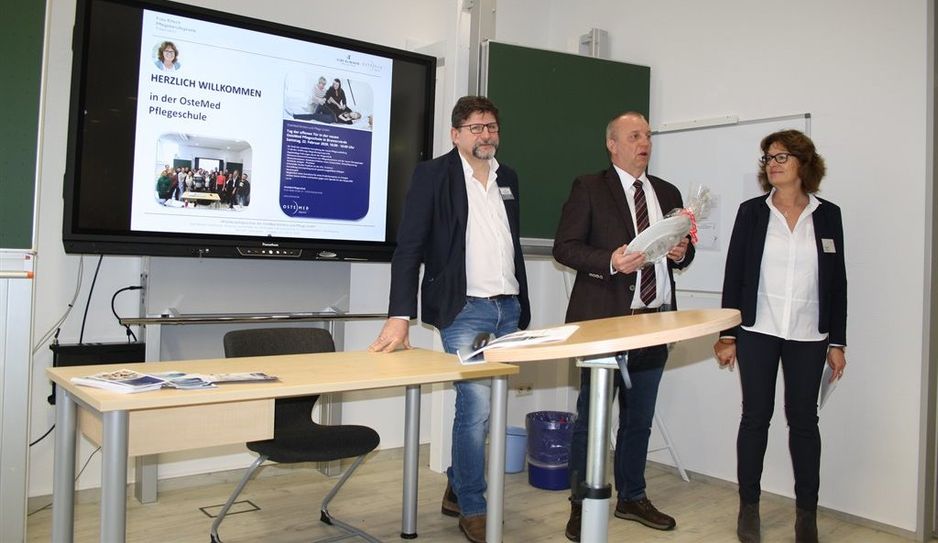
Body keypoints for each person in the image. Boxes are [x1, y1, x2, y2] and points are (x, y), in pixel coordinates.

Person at [368, 96, 530, 543]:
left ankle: (457, 489)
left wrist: (521, 304)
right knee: (475, 407)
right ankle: (474, 508)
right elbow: (410, 248)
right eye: (476, 127)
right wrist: (400, 315)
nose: (486, 135)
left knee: (489, 408)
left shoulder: (508, 178)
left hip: (508, 306)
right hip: (464, 308)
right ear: (456, 134)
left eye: (492, 126)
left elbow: (509, 246)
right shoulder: (433, 175)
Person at [553, 111, 694, 541]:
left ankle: (632, 495)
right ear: (612, 144)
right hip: (606, 321)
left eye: (647, 135)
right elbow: (565, 247)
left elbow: (683, 255)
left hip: (655, 320)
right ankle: (581, 503)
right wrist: (611, 262)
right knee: (590, 418)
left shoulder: (667, 191)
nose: (644, 142)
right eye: (634, 135)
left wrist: (680, 253)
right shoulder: (589, 186)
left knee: (640, 418)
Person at [713, 130, 846, 543]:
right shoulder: (751, 213)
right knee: (755, 418)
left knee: (805, 421)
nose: (772, 163)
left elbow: (837, 282)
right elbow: (734, 274)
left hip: (809, 334)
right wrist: (727, 334)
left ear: (803, 164)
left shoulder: (828, 215)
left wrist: (837, 342)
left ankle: (807, 515)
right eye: (768, 157)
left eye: (782, 157)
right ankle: (748, 508)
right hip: (757, 330)